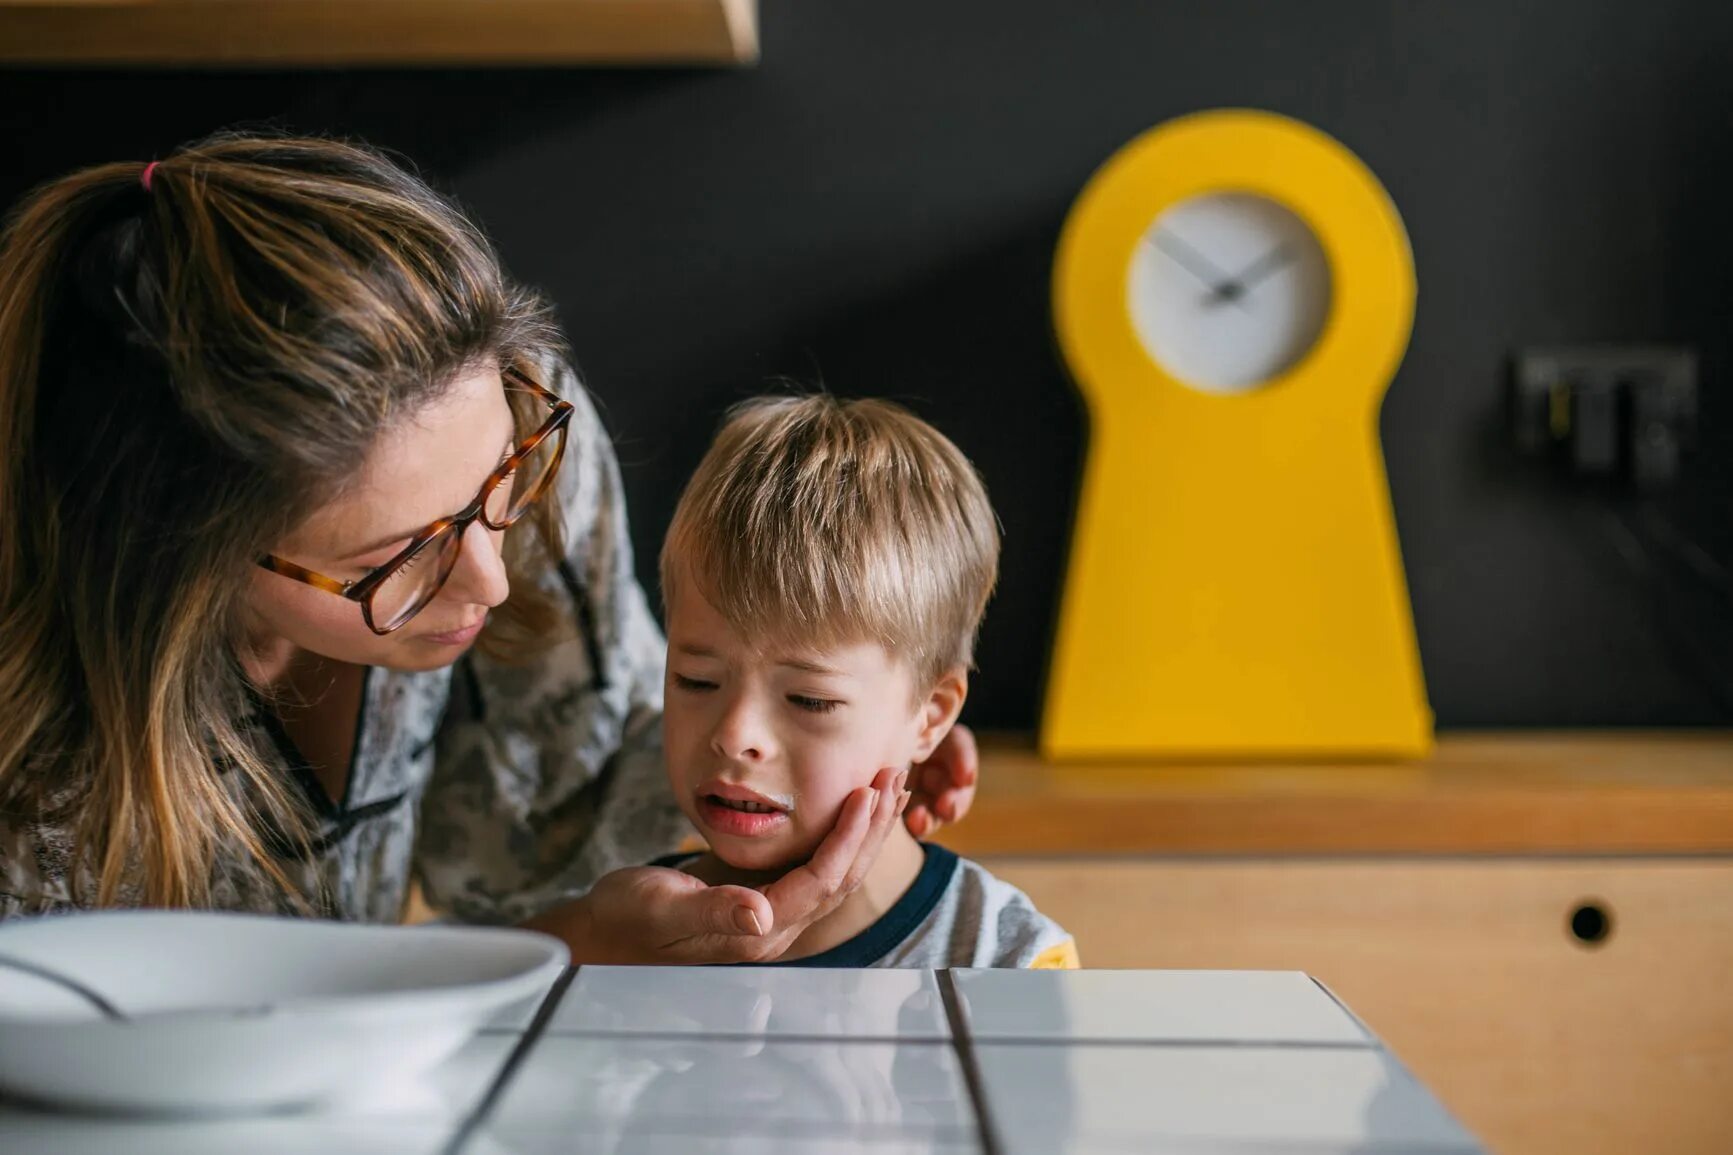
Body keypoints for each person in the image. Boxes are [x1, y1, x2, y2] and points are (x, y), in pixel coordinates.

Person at [0, 131, 979, 963]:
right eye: (399, 559)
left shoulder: (512, 409)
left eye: (494, 491)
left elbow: (562, 803)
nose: (492, 579)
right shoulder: (36, 769)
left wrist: (848, 736)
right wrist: (584, 942)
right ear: (177, 557)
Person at [654, 395, 1077, 967]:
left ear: (929, 716)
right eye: (696, 680)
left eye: (811, 699)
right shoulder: (629, 934)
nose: (735, 735)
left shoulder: (1010, 963)